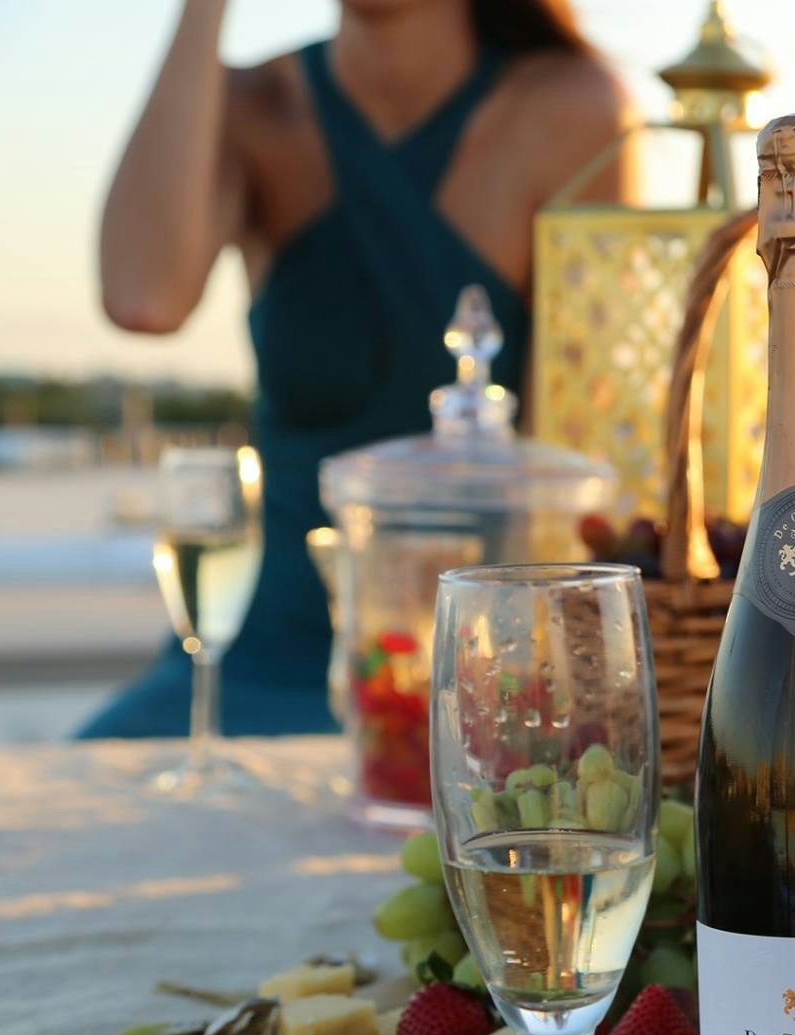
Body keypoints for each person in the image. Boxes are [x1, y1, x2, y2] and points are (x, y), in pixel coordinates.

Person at [83, 0, 633, 738]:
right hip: (252, 654)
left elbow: (586, 442)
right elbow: (144, 296)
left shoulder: (565, 106)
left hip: (477, 678)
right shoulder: (254, 106)